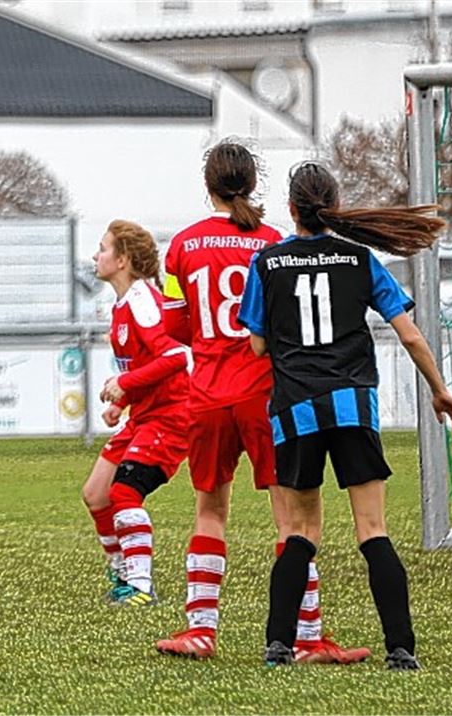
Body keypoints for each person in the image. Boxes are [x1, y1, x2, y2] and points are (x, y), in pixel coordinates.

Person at [238, 162, 452, 670]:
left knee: (300, 530)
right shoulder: (360, 259)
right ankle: (401, 650)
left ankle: (279, 644)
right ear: (332, 208)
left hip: (295, 408)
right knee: (372, 528)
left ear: (291, 210)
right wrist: (440, 390)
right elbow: (408, 333)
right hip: (352, 404)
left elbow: (255, 345)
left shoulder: (267, 264)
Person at [153, 140, 370, 663]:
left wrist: (210, 344)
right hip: (265, 394)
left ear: (209, 186)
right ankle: (307, 637)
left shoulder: (179, 247)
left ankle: (200, 631)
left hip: (206, 392)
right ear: (253, 184)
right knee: (290, 520)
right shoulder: (273, 244)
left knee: (210, 510)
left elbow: (173, 321)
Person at [81, 219, 189, 607]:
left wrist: (125, 386)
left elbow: (178, 356)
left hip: (172, 418)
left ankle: (141, 587)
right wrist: (120, 402)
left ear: (123, 259)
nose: (96, 255)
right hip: (144, 417)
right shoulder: (124, 303)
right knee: (95, 494)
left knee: (124, 492)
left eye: (104, 248)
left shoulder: (144, 301)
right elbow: (145, 366)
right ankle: (122, 573)